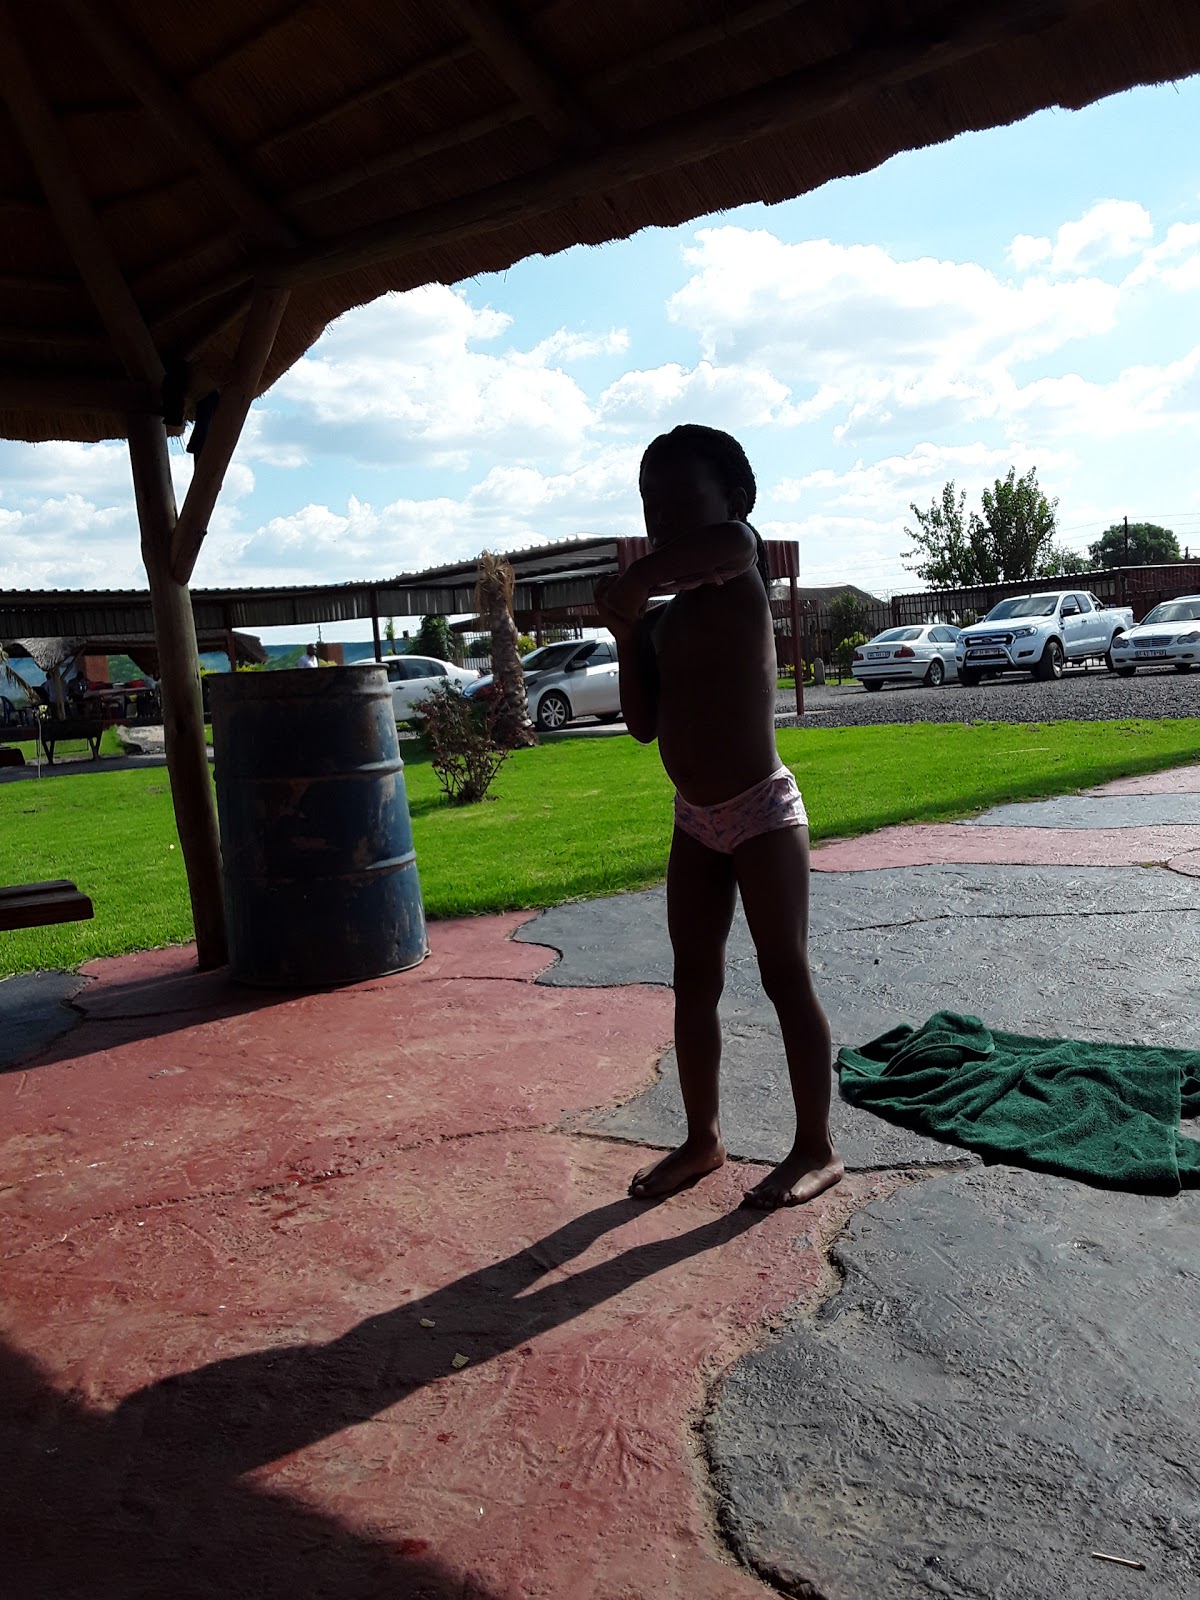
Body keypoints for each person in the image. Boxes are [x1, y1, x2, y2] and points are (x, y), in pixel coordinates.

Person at [594, 424, 843, 1209]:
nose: (661, 520)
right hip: (695, 823)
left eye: (679, 501)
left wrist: (641, 576)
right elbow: (642, 724)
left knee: (783, 975)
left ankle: (816, 1147)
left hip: (764, 811)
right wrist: (629, 634)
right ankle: (702, 1139)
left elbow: (726, 545)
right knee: (693, 981)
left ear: (733, 501)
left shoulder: (742, 571)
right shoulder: (664, 622)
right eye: (650, 506)